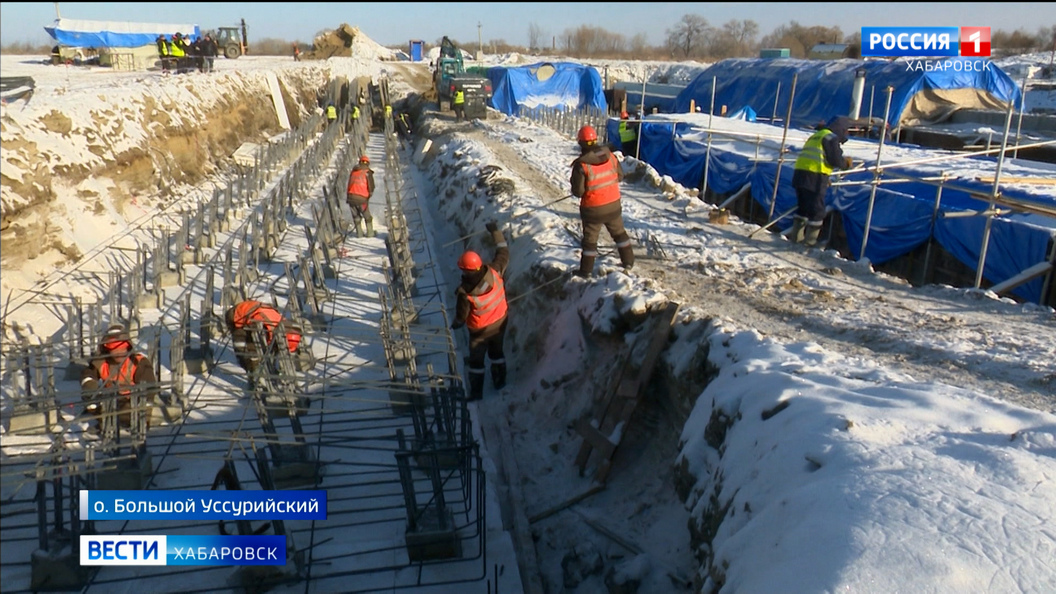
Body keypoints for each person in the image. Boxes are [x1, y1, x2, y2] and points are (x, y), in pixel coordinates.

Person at [450, 222, 509, 401]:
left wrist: (456, 324)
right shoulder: (495, 270)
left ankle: (476, 394)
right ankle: (500, 381)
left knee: (476, 362)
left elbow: (462, 317)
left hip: (480, 332)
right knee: (497, 353)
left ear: (465, 270)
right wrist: (496, 232)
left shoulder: (465, 293)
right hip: (500, 323)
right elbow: (503, 252)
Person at [570, 124, 634, 277]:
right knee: (620, 234)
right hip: (613, 205)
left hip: (593, 210)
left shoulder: (582, 164)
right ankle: (628, 261)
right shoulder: (610, 156)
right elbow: (619, 176)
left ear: (580, 143)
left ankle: (585, 272)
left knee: (590, 242)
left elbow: (578, 192)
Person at [789, 116, 854, 247]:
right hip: (815, 177)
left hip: (800, 174)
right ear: (841, 129)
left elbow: (817, 158)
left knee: (803, 208)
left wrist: (826, 177)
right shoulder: (831, 137)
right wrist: (845, 164)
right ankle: (810, 242)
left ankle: (796, 238)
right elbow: (834, 159)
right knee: (817, 210)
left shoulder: (817, 135)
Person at [80, 324, 157, 433]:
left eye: (122, 348)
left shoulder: (139, 363)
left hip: (132, 404)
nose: (119, 352)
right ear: (107, 349)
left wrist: (144, 420)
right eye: (114, 349)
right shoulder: (101, 363)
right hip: (109, 401)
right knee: (90, 401)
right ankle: (106, 420)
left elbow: (149, 391)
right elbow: (88, 375)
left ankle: (117, 421)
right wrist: (89, 386)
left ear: (128, 347)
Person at [224, 299, 304, 377]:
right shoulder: (260, 327)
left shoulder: (287, 327)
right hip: (236, 315)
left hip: (257, 309)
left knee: (268, 346)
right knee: (244, 347)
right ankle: (252, 374)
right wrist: (253, 364)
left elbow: (289, 347)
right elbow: (246, 340)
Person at [346, 155, 376, 237]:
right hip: (362, 199)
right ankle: (370, 233)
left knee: (356, 216)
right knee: (367, 217)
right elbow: (371, 186)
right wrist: (369, 195)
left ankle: (359, 234)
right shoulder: (367, 172)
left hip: (351, 198)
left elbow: (349, 184)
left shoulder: (353, 171)